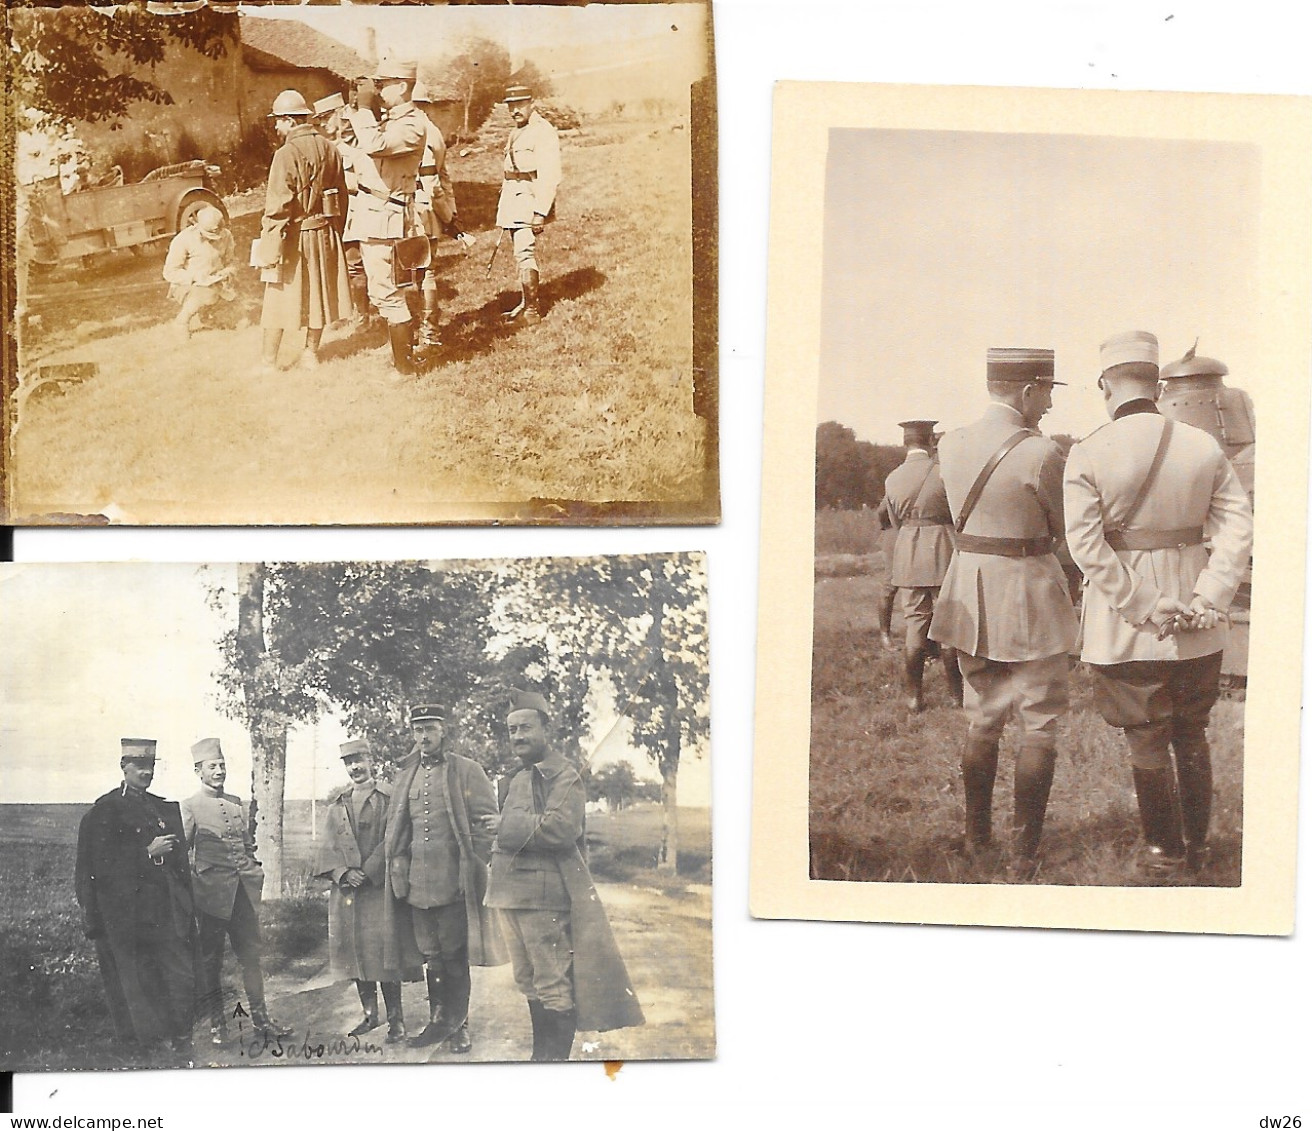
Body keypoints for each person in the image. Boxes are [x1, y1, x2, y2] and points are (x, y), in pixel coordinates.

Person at [1063, 330, 1253, 875]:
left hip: (1127, 623)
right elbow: (1238, 526)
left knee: (1146, 736)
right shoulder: (1202, 444)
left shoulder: (1088, 450)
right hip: (1197, 617)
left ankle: (1163, 852)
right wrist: (1209, 594)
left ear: (1106, 385)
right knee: (1192, 732)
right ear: (1159, 384)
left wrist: (1143, 603)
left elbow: (1086, 547)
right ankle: (1198, 846)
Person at [928, 348, 1079, 876]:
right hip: (1028, 591)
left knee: (983, 716)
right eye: (1048, 392)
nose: (1050, 404)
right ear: (1027, 391)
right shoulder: (1042, 452)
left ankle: (976, 840)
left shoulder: (951, 443)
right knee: (1038, 722)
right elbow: (1065, 529)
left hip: (969, 589)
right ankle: (1024, 851)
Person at [483, 690, 644, 1061]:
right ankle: (542, 1059)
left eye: (525, 727)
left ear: (545, 729)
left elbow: (560, 830)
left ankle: (553, 1063)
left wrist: (504, 826)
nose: (518, 737)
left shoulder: (564, 775)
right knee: (528, 982)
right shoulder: (513, 779)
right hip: (507, 894)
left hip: (543, 898)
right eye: (512, 731)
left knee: (552, 983)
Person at [382, 703, 505, 1054]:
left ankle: (459, 1025)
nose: (423, 736)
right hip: (416, 886)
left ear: (443, 731)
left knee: (454, 955)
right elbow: (397, 829)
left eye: (430, 728)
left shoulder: (466, 771)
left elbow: (486, 822)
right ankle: (438, 1019)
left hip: (453, 883)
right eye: (417, 729)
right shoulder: (405, 776)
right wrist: (398, 866)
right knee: (431, 956)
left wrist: (473, 865)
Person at [74, 739, 196, 1059]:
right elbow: (100, 868)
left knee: (174, 973)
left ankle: (178, 1034)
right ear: (123, 767)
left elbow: (180, 864)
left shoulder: (162, 807)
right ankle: (144, 1044)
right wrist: (147, 854)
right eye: (139, 766)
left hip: (164, 907)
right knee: (134, 978)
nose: (146, 772)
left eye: (151, 766)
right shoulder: (106, 810)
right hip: (127, 910)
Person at [181, 737, 292, 1044]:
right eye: (212, 767)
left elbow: (245, 844)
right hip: (212, 898)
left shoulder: (235, 802)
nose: (219, 771)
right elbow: (183, 853)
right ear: (198, 771)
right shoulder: (189, 806)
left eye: (222, 765)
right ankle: (218, 1024)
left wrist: (253, 868)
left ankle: (261, 1021)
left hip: (242, 895)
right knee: (211, 962)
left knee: (251, 958)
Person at [314, 738, 422, 1043]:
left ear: (371, 760)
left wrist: (369, 871)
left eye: (359, 760)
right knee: (355, 953)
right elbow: (328, 846)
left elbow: (395, 838)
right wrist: (343, 872)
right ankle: (369, 1014)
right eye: (349, 763)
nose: (355, 768)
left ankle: (396, 1020)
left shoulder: (388, 797)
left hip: (378, 888)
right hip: (348, 890)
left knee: (384, 954)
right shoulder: (339, 803)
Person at [253, 89, 352, 373]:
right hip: (325, 232)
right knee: (318, 294)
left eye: (279, 120)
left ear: (291, 121)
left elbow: (277, 207)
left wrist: (269, 247)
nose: (275, 126)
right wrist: (335, 231)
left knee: (276, 297)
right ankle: (311, 354)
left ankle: (268, 362)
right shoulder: (331, 148)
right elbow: (342, 197)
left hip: (294, 237)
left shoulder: (285, 154)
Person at [342, 55, 427, 374]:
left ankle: (404, 368)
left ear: (403, 86)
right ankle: (403, 354)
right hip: (376, 213)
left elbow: (374, 145)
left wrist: (364, 109)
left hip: (387, 218)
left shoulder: (413, 125)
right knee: (386, 290)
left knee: (387, 291)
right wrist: (356, 107)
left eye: (383, 84)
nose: (377, 90)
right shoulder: (391, 119)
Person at [882, 419, 962, 711]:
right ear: (931, 441)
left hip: (908, 556)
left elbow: (893, 521)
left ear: (906, 442)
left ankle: (914, 697)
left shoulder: (892, 478)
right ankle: (956, 695)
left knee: (914, 627)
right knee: (949, 628)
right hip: (943, 552)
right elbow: (958, 515)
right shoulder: (944, 473)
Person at [409, 81, 476, 363]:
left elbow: (432, 183)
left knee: (420, 274)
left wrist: (449, 219)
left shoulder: (416, 133)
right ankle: (421, 330)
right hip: (429, 212)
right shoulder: (434, 132)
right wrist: (451, 213)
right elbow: (445, 178)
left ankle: (427, 333)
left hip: (416, 213)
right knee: (423, 272)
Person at [496, 85, 562, 325]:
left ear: (531, 103)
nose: (515, 110)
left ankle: (532, 312)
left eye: (520, 104)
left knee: (525, 252)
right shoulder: (518, 131)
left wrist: (540, 212)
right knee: (519, 253)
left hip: (529, 200)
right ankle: (525, 304)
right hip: (515, 200)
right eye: (511, 106)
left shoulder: (542, 131)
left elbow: (550, 175)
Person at [161, 205, 236, 338]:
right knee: (207, 292)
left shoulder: (226, 236)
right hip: (186, 285)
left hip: (215, 282)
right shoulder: (183, 239)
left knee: (239, 314)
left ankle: (207, 317)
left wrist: (227, 272)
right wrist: (195, 277)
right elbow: (170, 272)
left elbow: (231, 261)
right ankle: (181, 322)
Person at [873, 497, 899, 652]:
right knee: (890, 585)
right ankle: (885, 635)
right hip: (897, 535)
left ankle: (927, 643)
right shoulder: (898, 481)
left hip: (915, 534)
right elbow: (882, 512)